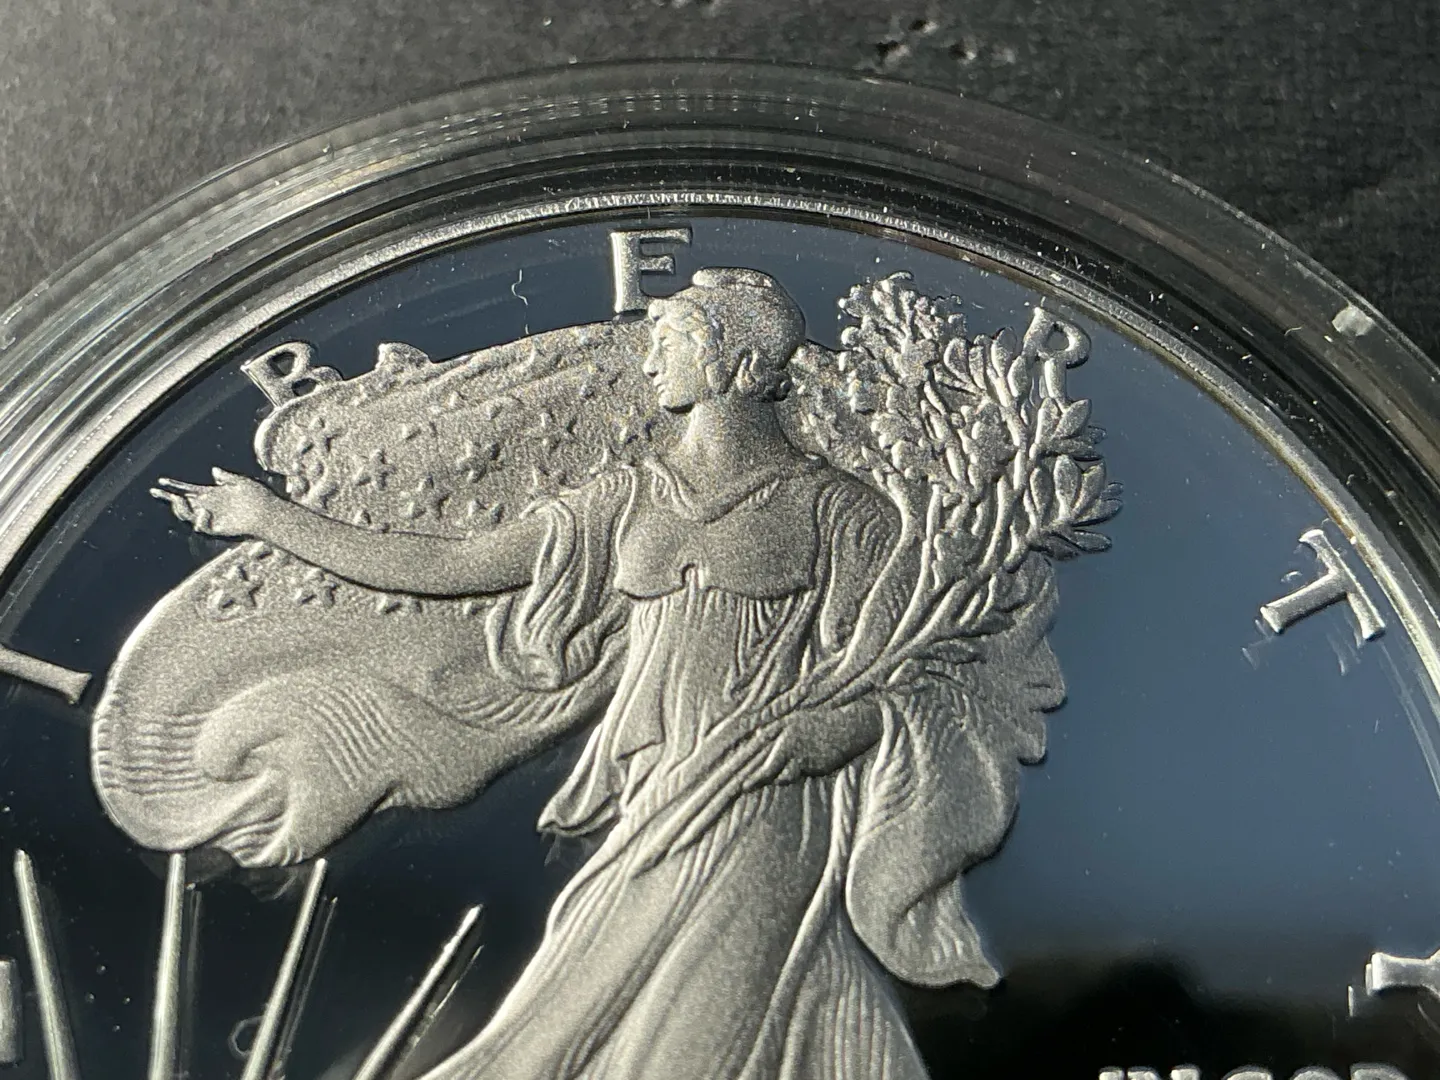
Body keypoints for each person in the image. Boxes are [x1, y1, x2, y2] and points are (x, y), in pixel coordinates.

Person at [154, 267, 1056, 1079]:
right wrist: (269, 519)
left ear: (739, 366)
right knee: (604, 994)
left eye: (673, 342)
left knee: (698, 1014)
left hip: (772, 796)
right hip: (658, 787)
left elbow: (893, 678)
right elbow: (452, 566)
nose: (651, 359)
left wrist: (819, 734)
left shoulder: (841, 513)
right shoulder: (625, 497)